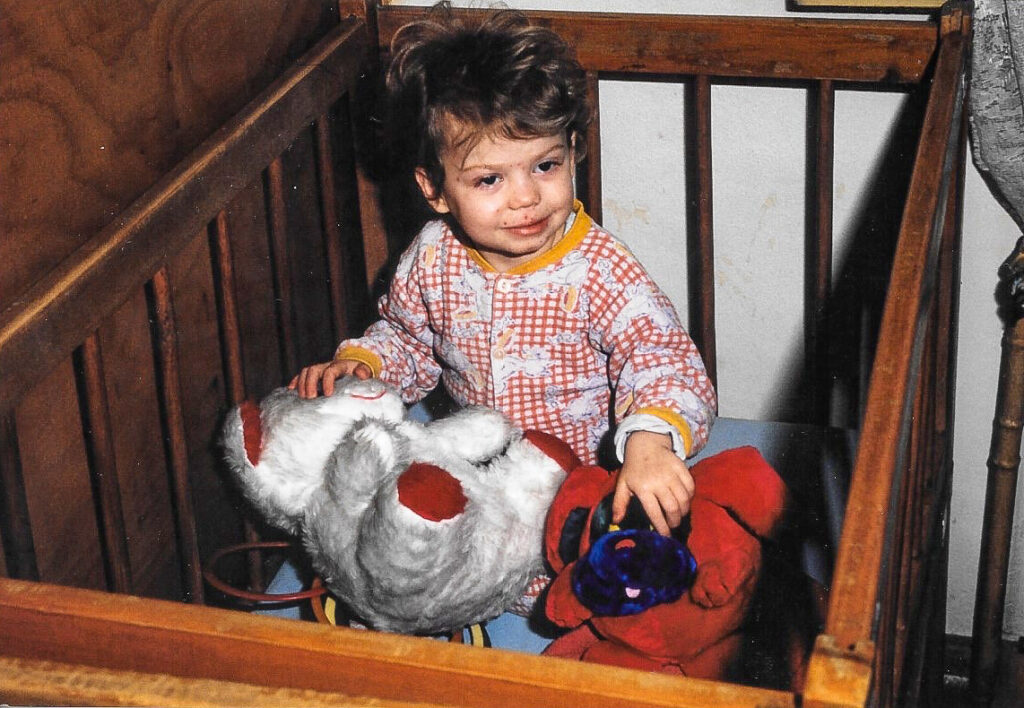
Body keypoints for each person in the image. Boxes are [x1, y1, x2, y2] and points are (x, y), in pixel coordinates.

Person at [290, 4, 716, 539]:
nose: (526, 197)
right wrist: (364, 365)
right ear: (434, 189)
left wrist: (648, 443)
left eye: (545, 165)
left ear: (573, 152)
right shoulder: (432, 256)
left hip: (583, 486)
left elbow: (662, 358)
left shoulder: (600, 270)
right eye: (490, 179)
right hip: (480, 477)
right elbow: (409, 340)